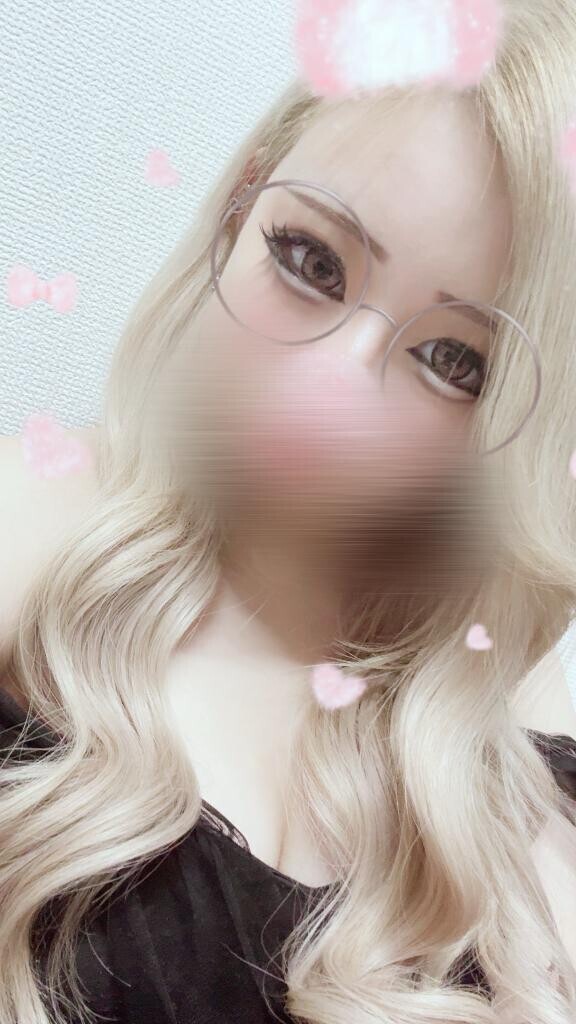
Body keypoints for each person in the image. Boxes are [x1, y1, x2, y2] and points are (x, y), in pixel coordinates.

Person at [1, 1, 576, 1021]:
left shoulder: (506, 749)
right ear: (241, 206)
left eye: (454, 360)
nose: (328, 393)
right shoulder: (40, 527)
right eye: (312, 261)